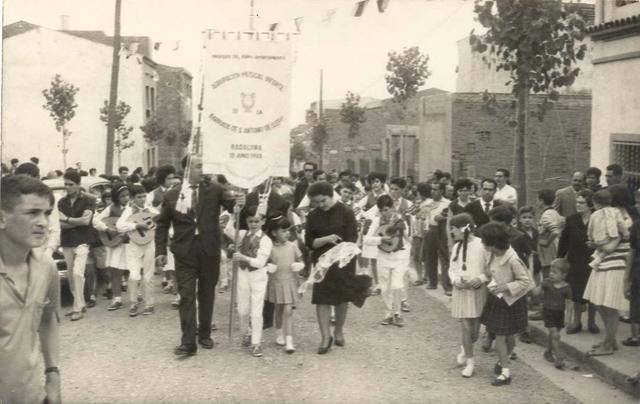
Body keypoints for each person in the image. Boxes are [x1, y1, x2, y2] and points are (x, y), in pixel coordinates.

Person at [155, 154, 236, 356]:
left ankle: (205, 334)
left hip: (209, 250)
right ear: (188, 170)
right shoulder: (173, 194)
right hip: (184, 253)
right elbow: (162, 224)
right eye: (200, 166)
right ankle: (188, 342)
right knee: (187, 296)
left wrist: (241, 200)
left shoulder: (215, 190)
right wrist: (160, 251)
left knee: (207, 294)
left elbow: (234, 207)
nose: (204, 170)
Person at [0, 175, 61, 404]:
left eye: (47, 213)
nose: (44, 222)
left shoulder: (47, 266)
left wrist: (53, 374)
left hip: (34, 395)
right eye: (32, 213)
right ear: (2, 218)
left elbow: (48, 319)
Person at [305, 182, 370, 354]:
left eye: (323, 201)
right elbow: (309, 242)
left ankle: (339, 330)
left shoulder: (346, 212)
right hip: (322, 262)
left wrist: (338, 254)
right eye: (316, 202)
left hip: (343, 262)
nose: (320, 205)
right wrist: (326, 239)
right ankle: (325, 337)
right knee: (322, 299)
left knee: (342, 298)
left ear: (331, 195)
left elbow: (352, 238)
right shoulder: (312, 215)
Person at [479, 222, 533, 386]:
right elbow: (492, 273)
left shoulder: (513, 259)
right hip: (499, 298)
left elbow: (526, 281)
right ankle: (505, 363)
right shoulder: (493, 254)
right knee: (502, 336)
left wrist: (506, 287)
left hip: (512, 300)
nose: (482, 243)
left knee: (506, 336)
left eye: (484, 240)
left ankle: (505, 372)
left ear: (494, 243)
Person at [584, 186, 633, 356]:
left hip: (615, 263)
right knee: (598, 302)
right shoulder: (609, 214)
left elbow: (616, 242)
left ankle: (610, 343)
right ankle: (609, 339)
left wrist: (598, 243)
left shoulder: (623, 216)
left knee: (609, 305)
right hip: (603, 262)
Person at [448, 213, 489, 378]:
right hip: (461, 290)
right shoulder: (457, 247)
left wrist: (480, 279)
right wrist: (455, 279)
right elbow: (452, 268)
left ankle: (465, 349)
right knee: (465, 326)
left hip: (477, 290)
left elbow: (489, 267)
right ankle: (471, 362)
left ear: (463, 228)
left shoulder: (481, 245)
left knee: (474, 331)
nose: (451, 232)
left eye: (453, 228)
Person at [229, 205, 273, 357]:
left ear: (263, 221)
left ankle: (256, 342)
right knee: (242, 308)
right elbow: (228, 229)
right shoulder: (242, 234)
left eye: (256, 221)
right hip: (243, 274)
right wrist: (235, 213)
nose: (253, 224)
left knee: (256, 310)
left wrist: (243, 257)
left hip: (258, 276)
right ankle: (246, 333)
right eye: (250, 221)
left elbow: (260, 262)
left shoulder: (266, 240)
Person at [364, 195, 410, 327]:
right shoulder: (377, 222)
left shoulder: (400, 221)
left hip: (399, 256)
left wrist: (405, 255)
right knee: (385, 287)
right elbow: (366, 240)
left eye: (386, 209)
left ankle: (397, 314)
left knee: (397, 285)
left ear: (392, 207)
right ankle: (388, 314)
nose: (384, 213)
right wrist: (380, 240)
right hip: (383, 256)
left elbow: (408, 240)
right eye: (382, 210)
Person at [558, 190, 599, 334]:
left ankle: (592, 321)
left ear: (589, 205)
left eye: (581, 203)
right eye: (577, 202)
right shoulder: (571, 220)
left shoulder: (596, 218)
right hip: (575, 260)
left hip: (593, 260)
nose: (578, 205)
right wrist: (560, 259)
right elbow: (564, 241)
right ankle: (577, 321)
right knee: (576, 292)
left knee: (593, 291)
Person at [58, 170, 95, 321]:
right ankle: (79, 304)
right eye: (65, 184)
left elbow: (86, 221)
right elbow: (59, 224)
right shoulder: (61, 202)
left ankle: (77, 308)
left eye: (71, 184)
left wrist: (66, 218)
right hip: (66, 241)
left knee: (77, 273)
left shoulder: (88, 200)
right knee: (71, 276)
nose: (67, 187)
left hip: (83, 241)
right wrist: (75, 222)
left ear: (78, 185)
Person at [265, 213, 303, 354]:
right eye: (283, 231)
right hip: (277, 282)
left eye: (288, 230)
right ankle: (279, 332)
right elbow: (265, 262)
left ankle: (289, 340)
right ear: (274, 232)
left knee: (288, 310)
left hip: (289, 281)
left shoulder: (292, 246)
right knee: (279, 310)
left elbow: (301, 259)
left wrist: (301, 265)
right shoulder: (270, 248)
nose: (287, 233)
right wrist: (268, 267)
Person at [117, 184, 158, 316]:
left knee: (148, 274)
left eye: (144, 196)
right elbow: (119, 226)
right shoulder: (129, 211)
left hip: (149, 243)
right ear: (133, 199)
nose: (142, 199)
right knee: (134, 274)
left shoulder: (151, 210)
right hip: (133, 244)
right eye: (139, 197)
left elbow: (160, 222)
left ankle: (149, 304)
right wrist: (135, 225)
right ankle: (133, 302)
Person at [92, 184, 130, 311]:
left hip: (131, 243)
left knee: (133, 270)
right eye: (122, 196)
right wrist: (107, 229)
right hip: (116, 243)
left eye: (127, 195)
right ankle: (117, 298)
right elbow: (95, 221)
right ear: (116, 197)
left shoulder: (132, 207)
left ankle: (136, 295)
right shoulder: (111, 208)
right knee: (116, 271)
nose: (126, 198)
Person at [531, 258, 572, 369]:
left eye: (555, 273)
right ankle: (559, 358)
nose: (551, 274)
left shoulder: (567, 288)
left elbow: (569, 304)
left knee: (554, 335)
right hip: (548, 312)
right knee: (555, 335)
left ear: (563, 275)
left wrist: (568, 317)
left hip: (559, 314)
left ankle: (548, 351)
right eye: (550, 272)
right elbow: (535, 292)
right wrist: (535, 286)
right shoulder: (547, 283)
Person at [422, 182, 451, 293]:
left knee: (444, 258)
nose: (433, 191)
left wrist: (443, 218)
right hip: (431, 229)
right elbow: (421, 215)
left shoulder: (448, 203)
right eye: (432, 189)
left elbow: (450, 216)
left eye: (435, 189)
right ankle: (432, 282)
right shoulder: (428, 203)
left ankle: (447, 286)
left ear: (442, 191)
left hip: (443, 230)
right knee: (430, 257)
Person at [537, 189, 564, 280]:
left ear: (541, 200)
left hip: (548, 250)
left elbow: (555, 231)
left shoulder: (547, 215)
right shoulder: (555, 213)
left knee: (547, 276)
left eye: (538, 200)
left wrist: (547, 242)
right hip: (555, 247)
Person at [624, 219, 640, 346]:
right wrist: (626, 278)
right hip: (637, 273)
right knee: (635, 304)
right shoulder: (637, 225)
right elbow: (632, 251)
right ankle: (635, 337)